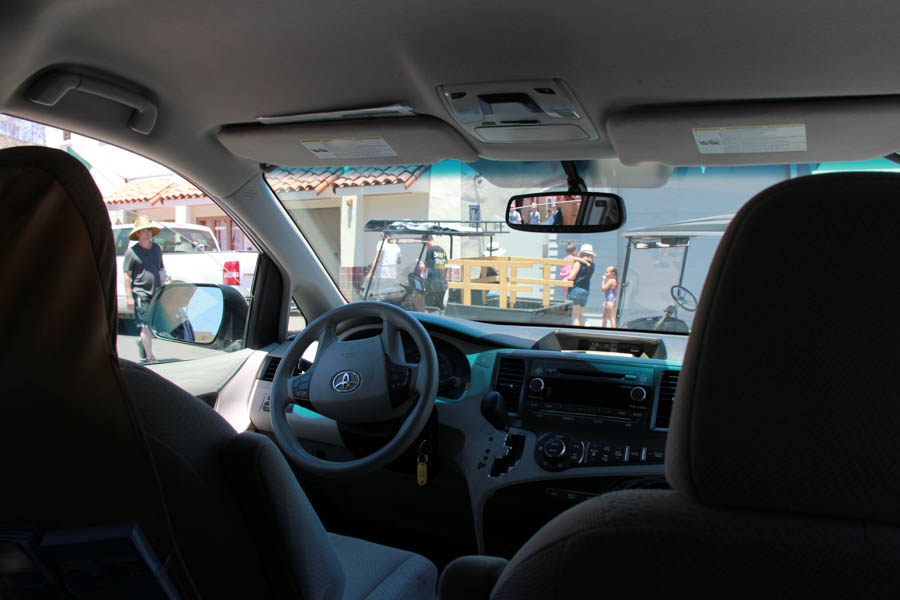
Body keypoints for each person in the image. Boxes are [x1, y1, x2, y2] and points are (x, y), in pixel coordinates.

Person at [123, 215, 168, 362]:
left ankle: (141, 342)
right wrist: (129, 296)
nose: (147, 233)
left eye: (149, 230)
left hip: (156, 291)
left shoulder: (156, 249)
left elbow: (161, 268)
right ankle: (150, 357)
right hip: (140, 292)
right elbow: (127, 275)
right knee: (145, 325)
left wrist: (165, 278)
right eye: (144, 230)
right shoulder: (132, 252)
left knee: (153, 325)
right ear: (138, 234)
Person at [565, 243, 596, 326]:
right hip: (585, 291)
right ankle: (587, 326)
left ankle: (576, 333)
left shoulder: (578, 263)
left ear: (581, 254)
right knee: (579, 315)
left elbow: (571, 277)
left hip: (575, 290)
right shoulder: (592, 266)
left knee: (574, 316)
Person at [422, 234, 448, 310]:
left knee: (430, 308)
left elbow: (426, 267)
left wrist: (421, 265)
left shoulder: (430, 250)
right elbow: (444, 267)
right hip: (441, 284)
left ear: (427, 241)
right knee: (441, 307)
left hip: (432, 284)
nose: (425, 246)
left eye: (425, 244)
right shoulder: (442, 250)